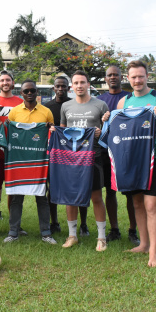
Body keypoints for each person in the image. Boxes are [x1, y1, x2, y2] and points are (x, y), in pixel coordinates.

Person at [116, 61, 156, 266]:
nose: (137, 80)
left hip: (153, 159)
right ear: (127, 79)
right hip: (131, 159)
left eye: (141, 76)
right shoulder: (123, 102)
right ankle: (144, 244)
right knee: (137, 203)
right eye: (133, 77)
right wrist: (107, 119)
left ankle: (153, 253)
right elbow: (119, 128)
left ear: (147, 76)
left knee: (150, 205)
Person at [59, 71, 109, 251]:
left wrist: (100, 132)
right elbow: (63, 132)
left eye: (82, 82)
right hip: (71, 158)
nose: (79, 86)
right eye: (76, 83)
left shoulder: (100, 105)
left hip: (93, 156)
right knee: (70, 198)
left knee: (96, 197)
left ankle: (101, 237)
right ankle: (72, 235)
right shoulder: (66, 106)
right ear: (71, 86)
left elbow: (108, 131)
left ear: (88, 84)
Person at [3, 79, 57, 245]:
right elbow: (7, 131)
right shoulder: (13, 113)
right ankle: (13, 232)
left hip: (39, 162)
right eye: (26, 91)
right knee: (16, 198)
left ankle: (46, 233)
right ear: (21, 93)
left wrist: (51, 129)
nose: (29, 93)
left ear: (37, 92)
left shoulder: (46, 112)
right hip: (18, 162)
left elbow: (51, 136)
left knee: (41, 196)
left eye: (32, 90)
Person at [96, 65, 138, 244]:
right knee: (110, 191)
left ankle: (133, 230)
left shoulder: (129, 97)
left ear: (123, 77)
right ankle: (114, 229)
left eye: (116, 75)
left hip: (125, 151)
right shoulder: (99, 100)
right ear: (105, 78)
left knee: (130, 193)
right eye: (109, 75)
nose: (113, 77)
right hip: (105, 152)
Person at [0, 70, 24, 234]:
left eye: (8, 80)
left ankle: (14, 224)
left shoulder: (20, 102)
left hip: (14, 151)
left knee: (14, 190)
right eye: (2, 80)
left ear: (12, 83)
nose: (5, 82)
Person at [43, 75, 71, 235]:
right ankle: (54, 222)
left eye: (64, 86)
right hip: (53, 153)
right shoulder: (47, 108)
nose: (60, 89)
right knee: (51, 189)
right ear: (53, 88)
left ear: (68, 88)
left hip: (73, 153)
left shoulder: (73, 105)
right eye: (58, 86)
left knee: (74, 187)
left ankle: (82, 225)